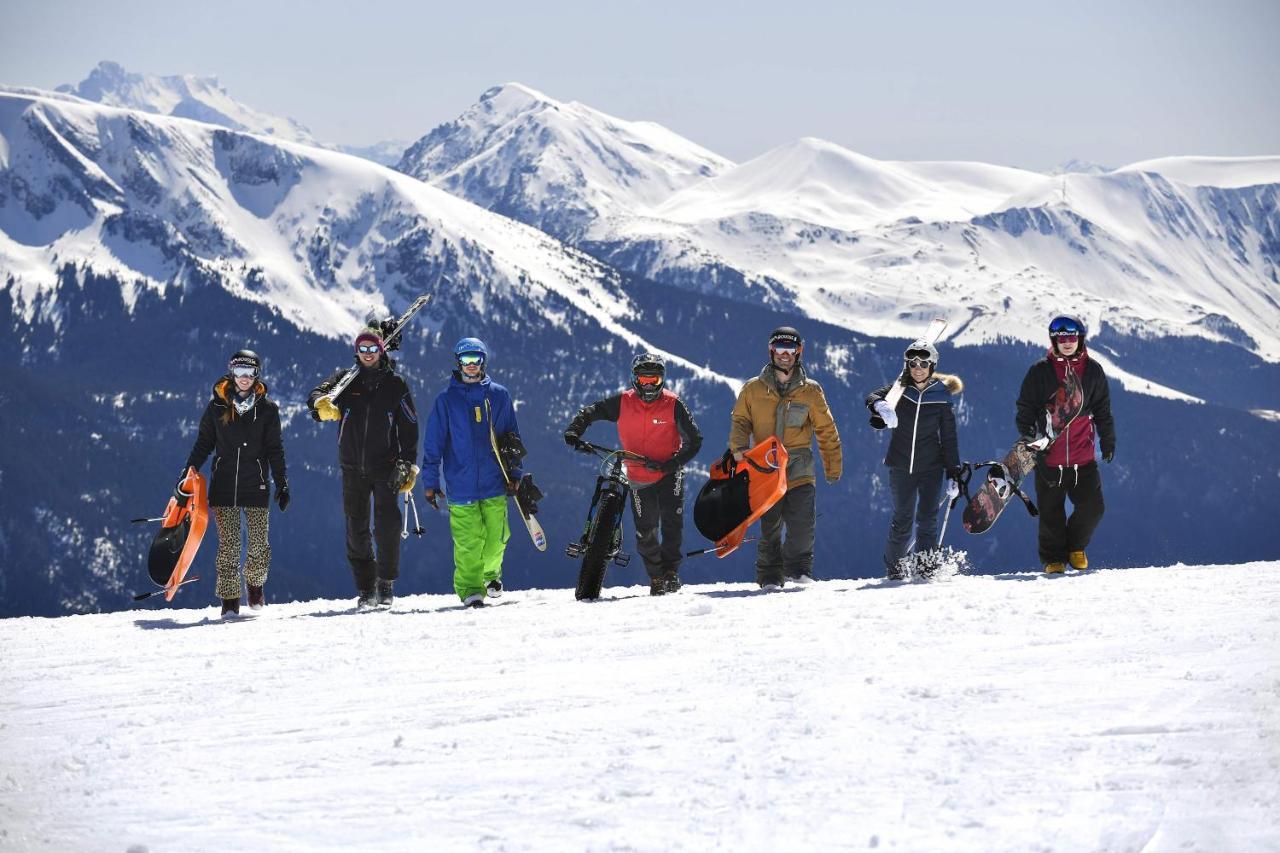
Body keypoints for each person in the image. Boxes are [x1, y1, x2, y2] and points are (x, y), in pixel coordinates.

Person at [563, 354, 704, 595]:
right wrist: (575, 430)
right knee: (645, 530)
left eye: (654, 379)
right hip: (638, 475)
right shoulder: (622, 402)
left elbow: (695, 440)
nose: (648, 384)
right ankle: (657, 578)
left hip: (668, 472)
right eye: (643, 378)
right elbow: (591, 411)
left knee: (672, 524)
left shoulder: (673, 404)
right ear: (634, 379)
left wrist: (672, 464)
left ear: (662, 380)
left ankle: (670, 573)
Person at [308, 327, 419, 608]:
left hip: (387, 466)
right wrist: (320, 404)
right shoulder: (346, 381)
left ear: (381, 351)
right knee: (356, 529)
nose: (367, 354)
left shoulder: (396, 384)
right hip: (352, 467)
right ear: (356, 351)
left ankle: (386, 583)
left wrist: (408, 463)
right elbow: (317, 394)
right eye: (362, 349)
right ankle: (366, 588)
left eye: (372, 349)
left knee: (387, 526)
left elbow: (409, 427)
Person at [728, 327, 842, 589]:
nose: (784, 355)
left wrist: (832, 466)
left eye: (790, 349)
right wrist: (738, 449)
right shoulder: (753, 389)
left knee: (802, 527)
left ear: (798, 352)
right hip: (765, 469)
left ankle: (799, 572)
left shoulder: (811, 391)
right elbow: (740, 421)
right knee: (770, 528)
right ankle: (769, 577)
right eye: (779, 348)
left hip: (800, 467)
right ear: (771, 351)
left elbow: (826, 429)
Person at [181, 350, 288, 617]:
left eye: (249, 373)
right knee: (228, 546)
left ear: (256, 375)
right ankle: (229, 601)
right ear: (231, 373)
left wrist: (282, 482)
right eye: (239, 372)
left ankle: (255, 586)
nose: (243, 378)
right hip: (224, 485)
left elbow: (275, 448)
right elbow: (204, 443)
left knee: (258, 545)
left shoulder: (267, 409)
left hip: (257, 484)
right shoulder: (216, 407)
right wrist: (188, 472)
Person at [420, 338, 522, 608]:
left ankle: (491, 575)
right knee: (468, 543)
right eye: (466, 360)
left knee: (497, 539)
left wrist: (516, 474)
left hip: (495, 481)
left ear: (483, 361)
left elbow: (512, 438)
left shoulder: (499, 395)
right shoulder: (446, 401)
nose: (472, 365)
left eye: (476, 359)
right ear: (458, 363)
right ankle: (471, 590)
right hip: (461, 485)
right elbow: (433, 445)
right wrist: (430, 482)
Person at [1016, 315, 1116, 574]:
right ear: (1054, 341)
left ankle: (1076, 547)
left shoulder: (1093, 371)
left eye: (1072, 337)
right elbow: (1025, 409)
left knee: (1094, 508)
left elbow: (1103, 410)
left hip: (1083, 457)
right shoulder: (1040, 371)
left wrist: (1108, 439)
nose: (1067, 342)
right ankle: (1053, 559)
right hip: (1050, 457)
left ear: (1080, 339)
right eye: (1062, 338)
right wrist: (1029, 438)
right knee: (1051, 514)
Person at [865, 340, 963, 579]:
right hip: (900, 465)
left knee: (928, 520)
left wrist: (953, 473)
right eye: (913, 363)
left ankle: (926, 570)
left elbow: (949, 437)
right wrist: (880, 405)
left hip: (931, 467)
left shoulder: (941, 395)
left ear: (932, 365)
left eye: (923, 363)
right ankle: (895, 571)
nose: (918, 368)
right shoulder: (900, 389)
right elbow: (872, 396)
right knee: (902, 520)